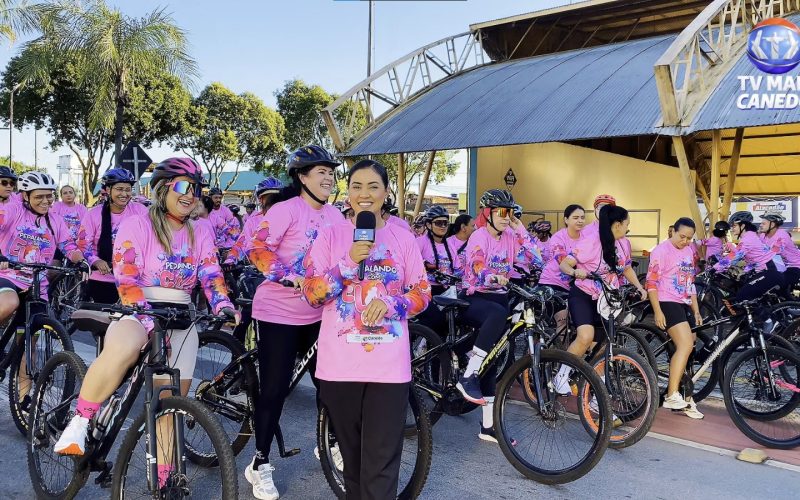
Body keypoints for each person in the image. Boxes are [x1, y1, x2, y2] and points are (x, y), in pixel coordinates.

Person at [53, 158, 239, 488]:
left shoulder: (201, 230)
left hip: (181, 316)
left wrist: (224, 305)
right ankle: (80, 421)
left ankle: (164, 481)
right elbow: (125, 273)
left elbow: (210, 275)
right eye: (183, 186)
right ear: (163, 189)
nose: (190, 194)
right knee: (124, 346)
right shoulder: (138, 224)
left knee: (169, 406)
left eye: (196, 189)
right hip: (139, 307)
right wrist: (143, 313)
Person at [302, 159, 431, 500]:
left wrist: (392, 304)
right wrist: (347, 263)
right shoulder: (330, 236)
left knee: (380, 466)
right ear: (347, 192)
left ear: (386, 193)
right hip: (339, 369)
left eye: (373, 186)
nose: (364, 194)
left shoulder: (403, 238)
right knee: (355, 466)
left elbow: (422, 292)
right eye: (357, 186)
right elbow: (313, 294)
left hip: (388, 370)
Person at [244, 145, 344, 500]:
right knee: (274, 389)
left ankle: (328, 442)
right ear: (302, 177)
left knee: (329, 384)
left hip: (321, 313)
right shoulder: (286, 210)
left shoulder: (337, 216)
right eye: (321, 172)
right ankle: (259, 463)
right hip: (279, 312)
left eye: (332, 173)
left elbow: (348, 257)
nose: (329, 178)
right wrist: (289, 276)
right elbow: (257, 249)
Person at [0, 172, 88, 409]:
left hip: (37, 284)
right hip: (8, 276)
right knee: (9, 303)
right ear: (26, 196)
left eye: (50, 196)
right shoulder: (13, 210)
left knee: (29, 342)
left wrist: (80, 260)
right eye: (39, 197)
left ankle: (24, 399)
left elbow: (68, 245)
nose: (46, 201)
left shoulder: (55, 219)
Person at [456, 189, 535, 442]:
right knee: (498, 314)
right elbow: (477, 266)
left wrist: (520, 228)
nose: (506, 217)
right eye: (501, 212)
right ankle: (468, 375)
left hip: (498, 298)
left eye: (510, 212)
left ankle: (487, 427)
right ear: (487, 213)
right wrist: (493, 276)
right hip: (474, 296)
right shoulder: (479, 236)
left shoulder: (511, 236)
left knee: (494, 357)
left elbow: (537, 258)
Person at [554, 205, 647, 394]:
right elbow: (565, 264)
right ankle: (561, 376)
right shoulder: (591, 242)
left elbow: (626, 268)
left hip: (606, 299)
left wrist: (639, 286)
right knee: (586, 336)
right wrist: (574, 271)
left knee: (604, 344)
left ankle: (597, 388)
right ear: (618, 224)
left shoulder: (621, 243)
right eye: (627, 223)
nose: (628, 227)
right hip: (584, 295)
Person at [647, 217, 704, 419]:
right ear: (673, 231)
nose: (685, 241)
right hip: (666, 301)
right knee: (685, 344)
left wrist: (696, 310)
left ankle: (687, 397)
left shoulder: (689, 251)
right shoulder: (660, 251)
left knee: (691, 347)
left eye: (689, 238)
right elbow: (651, 283)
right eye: (682, 236)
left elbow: (691, 283)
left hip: (684, 302)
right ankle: (672, 394)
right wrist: (658, 311)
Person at [77, 168, 147, 304]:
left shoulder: (140, 211)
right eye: (119, 189)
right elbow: (83, 244)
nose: (124, 194)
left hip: (135, 279)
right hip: (103, 278)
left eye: (128, 189)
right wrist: (95, 261)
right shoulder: (93, 214)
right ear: (108, 190)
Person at [714, 211, 785, 301]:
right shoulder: (748, 237)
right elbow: (746, 257)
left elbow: (735, 257)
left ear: (743, 226)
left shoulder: (748, 238)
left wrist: (715, 268)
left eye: (734, 226)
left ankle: (763, 314)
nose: (732, 229)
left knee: (743, 296)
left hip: (769, 272)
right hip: (764, 271)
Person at [415, 205, 462, 335]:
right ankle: (419, 343)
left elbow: (457, 268)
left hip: (445, 290)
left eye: (445, 223)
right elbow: (411, 265)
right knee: (436, 318)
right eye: (438, 223)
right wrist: (426, 267)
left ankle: (440, 352)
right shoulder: (420, 242)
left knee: (452, 321)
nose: (443, 226)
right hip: (424, 290)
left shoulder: (450, 244)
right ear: (429, 225)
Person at [538, 205, 586, 333]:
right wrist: (575, 270)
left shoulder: (586, 237)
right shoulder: (558, 237)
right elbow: (562, 260)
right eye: (575, 217)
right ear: (566, 220)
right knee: (562, 320)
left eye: (582, 217)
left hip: (575, 285)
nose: (580, 221)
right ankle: (560, 353)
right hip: (552, 283)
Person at [759, 211, 800, 297]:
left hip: (794, 266)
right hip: (780, 265)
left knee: (776, 285)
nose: (760, 225)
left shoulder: (782, 235)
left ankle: (788, 307)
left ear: (773, 224)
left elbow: (775, 251)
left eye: (764, 223)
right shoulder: (763, 236)